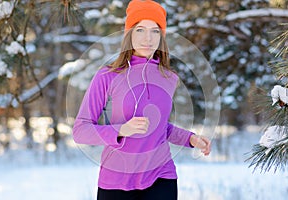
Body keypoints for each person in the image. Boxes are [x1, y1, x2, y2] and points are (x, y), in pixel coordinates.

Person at [72, 0, 211, 199]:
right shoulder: (108, 76)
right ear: (129, 34)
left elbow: (160, 127)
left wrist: (190, 138)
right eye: (140, 30)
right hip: (116, 181)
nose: (148, 38)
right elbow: (80, 131)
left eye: (155, 31)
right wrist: (121, 130)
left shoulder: (168, 78)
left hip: (161, 176)